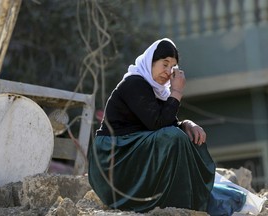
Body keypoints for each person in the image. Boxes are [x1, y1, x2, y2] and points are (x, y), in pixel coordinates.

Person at [87, 38, 245, 214]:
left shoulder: (157, 91)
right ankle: (176, 200)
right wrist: (176, 92)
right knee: (173, 137)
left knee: (190, 138)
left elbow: (165, 122)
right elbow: (157, 124)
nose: (169, 71)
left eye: (173, 67)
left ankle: (192, 197)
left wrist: (186, 124)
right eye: (165, 64)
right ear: (150, 62)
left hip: (132, 150)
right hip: (114, 158)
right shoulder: (135, 83)